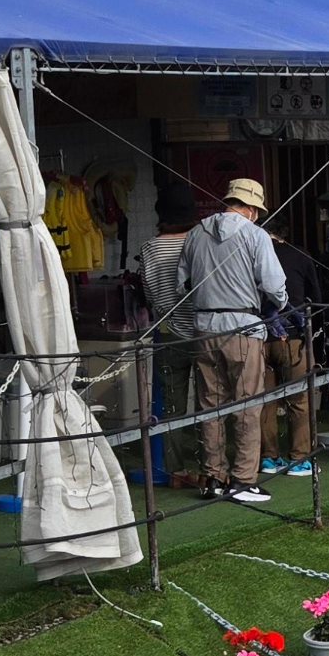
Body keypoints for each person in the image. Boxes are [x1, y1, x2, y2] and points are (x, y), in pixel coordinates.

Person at [175, 176, 287, 505]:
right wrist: (279, 303)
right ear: (252, 208)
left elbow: (182, 285)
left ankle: (212, 477)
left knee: (209, 406)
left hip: (204, 329)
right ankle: (243, 481)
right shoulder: (256, 235)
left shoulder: (195, 233)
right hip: (244, 327)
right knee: (247, 406)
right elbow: (274, 286)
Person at [136, 188, 199, 484]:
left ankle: (176, 471)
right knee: (210, 401)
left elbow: (148, 291)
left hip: (168, 330)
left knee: (173, 404)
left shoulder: (150, 247)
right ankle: (210, 468)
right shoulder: (200, 242)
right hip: (204, 328)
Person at [261, 224, 325, 478]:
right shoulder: (300, 255)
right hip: (293, 337)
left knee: (264, 401)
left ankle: (268, 457)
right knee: (299, 400)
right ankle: (299, 459)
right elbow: (315, 297)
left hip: (256, 337)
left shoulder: (250, 253)